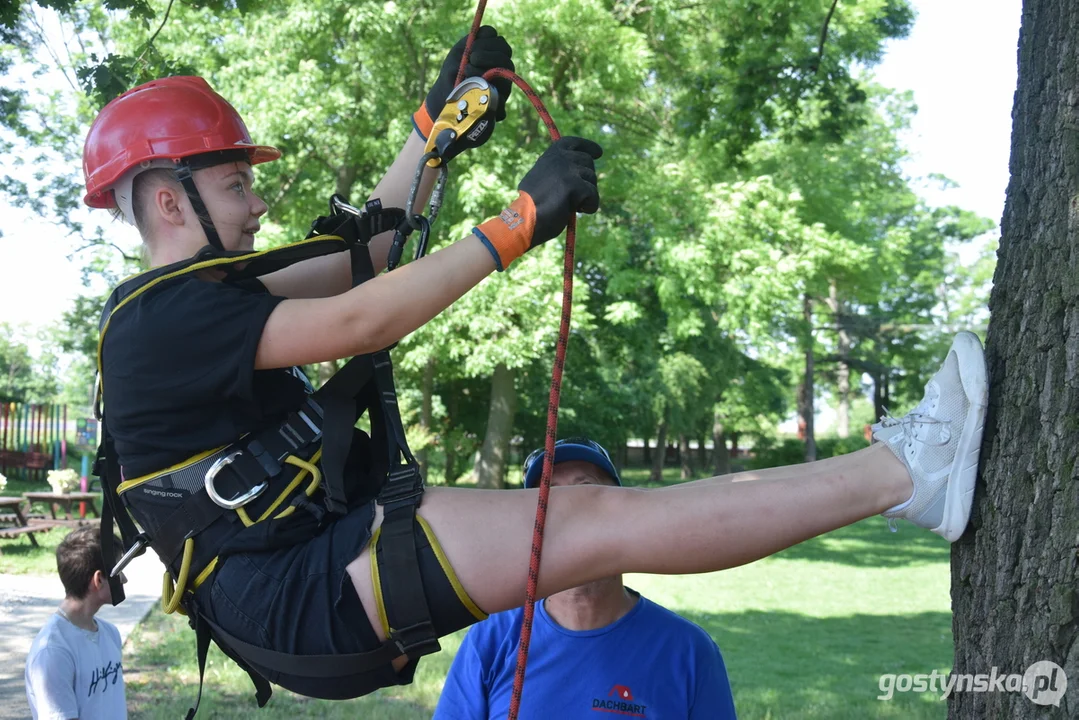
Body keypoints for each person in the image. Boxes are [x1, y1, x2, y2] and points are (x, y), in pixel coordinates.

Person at [81, 23, 989, 710]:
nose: (253, 202)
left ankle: (904, 473)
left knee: (595, 517)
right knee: (597, 523)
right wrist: (519, 221)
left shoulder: (207, 296)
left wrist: (433, 127)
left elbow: (365, 256)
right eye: (236, 184)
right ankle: (908, 475)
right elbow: (360, 315)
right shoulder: (160, 322)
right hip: (292, 589)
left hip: (307, 560)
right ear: (170, 198)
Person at [434, 437, 737, 719]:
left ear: (620, 514)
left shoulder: (688, 651)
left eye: (586, 491)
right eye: (550, 495)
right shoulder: (491, 641)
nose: (569, 509)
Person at [24, 525, 128, 720]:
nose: (125, 579)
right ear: (98, 580)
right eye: (120, 571)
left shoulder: (110, 633)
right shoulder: (53, 651)